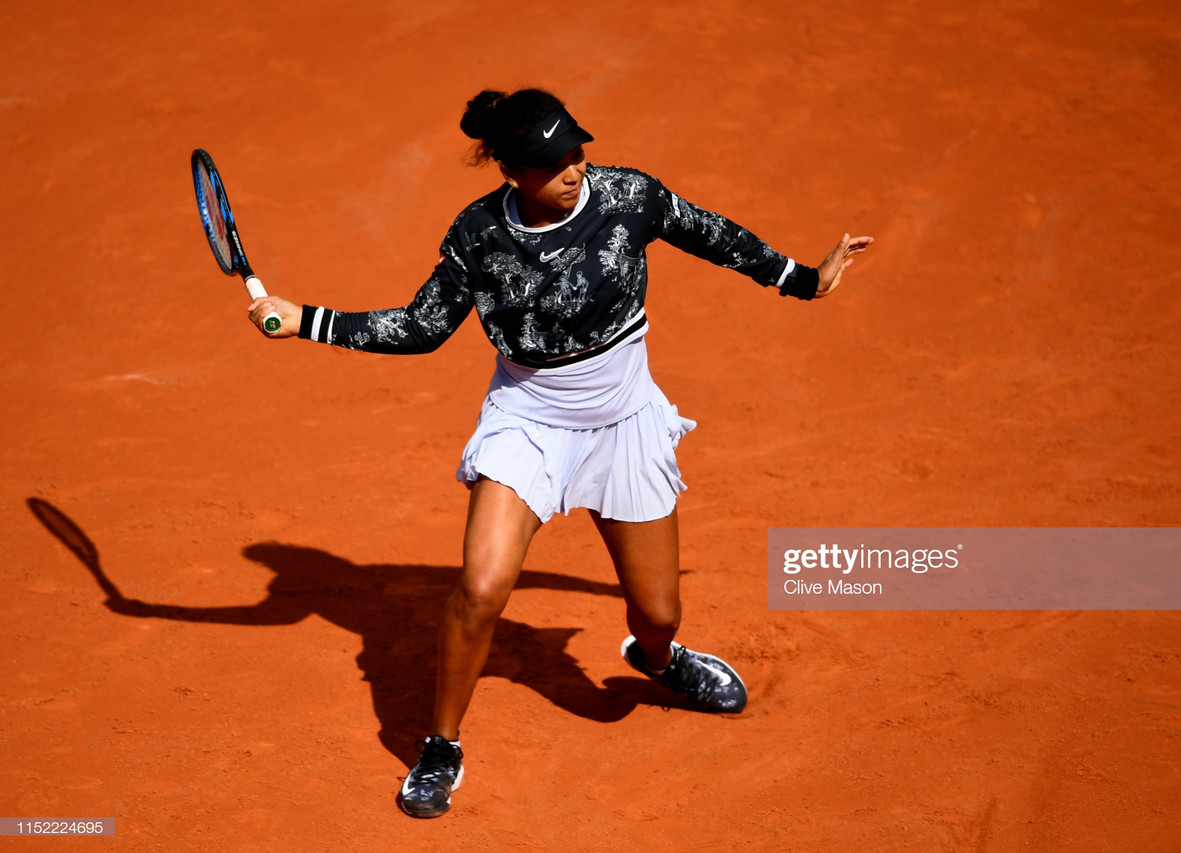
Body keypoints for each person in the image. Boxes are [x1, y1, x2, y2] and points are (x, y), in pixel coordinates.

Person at [248, 88, 873, 819]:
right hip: (529, 418)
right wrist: (306, 321)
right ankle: (442, 744)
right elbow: (421, 326)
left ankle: (661, 659)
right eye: (554, 162)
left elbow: (711, 233)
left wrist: (803, 279)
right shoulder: (478, 234)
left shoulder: (628, 196)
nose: (574, 169)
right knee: (480, 588)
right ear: (512, 170)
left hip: (624, 419)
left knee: (659, 612)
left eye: (577, 151)